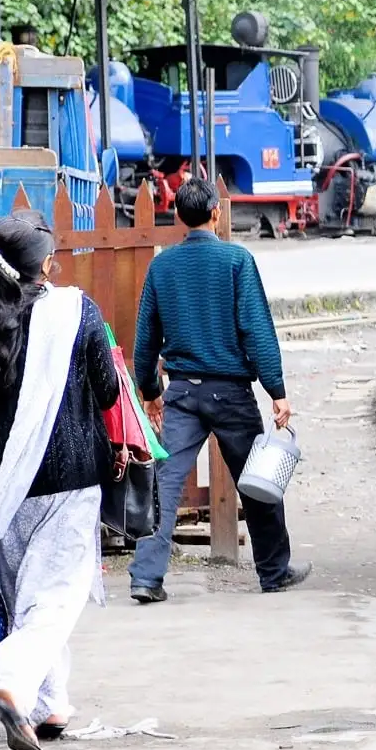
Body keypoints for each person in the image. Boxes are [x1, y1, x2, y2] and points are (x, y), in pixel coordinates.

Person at [0, 209, 122, 750]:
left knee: (27, 596)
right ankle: (9, 682)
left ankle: (50, 706)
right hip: (69, 479)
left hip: (3, 487)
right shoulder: (74, 310)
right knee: (54, 600)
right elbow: (108, 392)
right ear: (47, 264)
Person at [129, 179, 308, 602]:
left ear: (177, 216)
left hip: (182, 396)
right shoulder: (236, 260)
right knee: (258, 481)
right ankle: (273, 572)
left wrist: (151, 390)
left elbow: (145, 342)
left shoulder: (162, 266)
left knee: (166, 483)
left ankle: (146, 578)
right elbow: (257, 332)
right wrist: (277, 390)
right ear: (217, 213)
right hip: (230, 394)